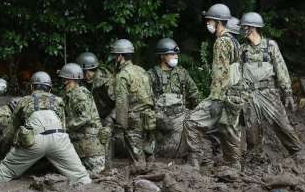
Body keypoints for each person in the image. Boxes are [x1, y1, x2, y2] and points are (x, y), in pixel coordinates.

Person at [0, 72, 91, 186]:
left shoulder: (25, 100)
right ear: (49, 88)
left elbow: (11, 130)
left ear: (32, 87)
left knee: (6, 170)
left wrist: (1, 150)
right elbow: (63, 126)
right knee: (81, 176)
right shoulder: (58, 100)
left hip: (34, 141)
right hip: (59, 139)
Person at [235, 11, 304, 156]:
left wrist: (287, 92)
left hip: (268, 92)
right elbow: (237, 74)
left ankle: (300, 155)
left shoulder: (270, 45)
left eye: (244, 26)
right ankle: (255, 160)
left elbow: (281, 68)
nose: (242, 29)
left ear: (253, 27)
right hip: (249, 95)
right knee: (252, 134)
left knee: (283, 126)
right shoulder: (242, 49)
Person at [183, 3, 241, 167]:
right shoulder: (234, 41)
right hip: (233, 95)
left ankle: (194, 165)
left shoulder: (221, 42)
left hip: (221, 95)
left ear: (218, 22)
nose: (207, 23)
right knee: (228, 130)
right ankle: (231, 165)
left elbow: (221, 72)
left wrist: (216, 99)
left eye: (210, 20)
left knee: (191, 122)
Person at [108, 39, 156, 170]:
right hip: (149, 116)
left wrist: (120, 127)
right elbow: (151, 95)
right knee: (148, 150)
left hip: (134, 119)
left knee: (137, 158)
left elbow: (121, 104)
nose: (114, 59)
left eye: (115, 56)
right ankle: (151, 169)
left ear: (120, 57)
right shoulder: (142, 70)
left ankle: (140, 173)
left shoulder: (122, 75)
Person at [148, 38, 200, 157]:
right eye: (171, 54)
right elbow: (145, 100)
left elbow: (195, 95)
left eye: (176, 54)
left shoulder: (182, 73)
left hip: (179, 117)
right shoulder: (151, 75)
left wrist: (199, 113)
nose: (176, 56)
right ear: (162, 56)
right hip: (159, 119)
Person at [59, 62, 107, 176]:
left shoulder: (80, 94)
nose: (62, 82)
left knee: (92, 172)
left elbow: (84, 117)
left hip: (90, 146)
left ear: (67, 80)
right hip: (82, 142)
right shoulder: (70, 95)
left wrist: (64, 127)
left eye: (63, 79)